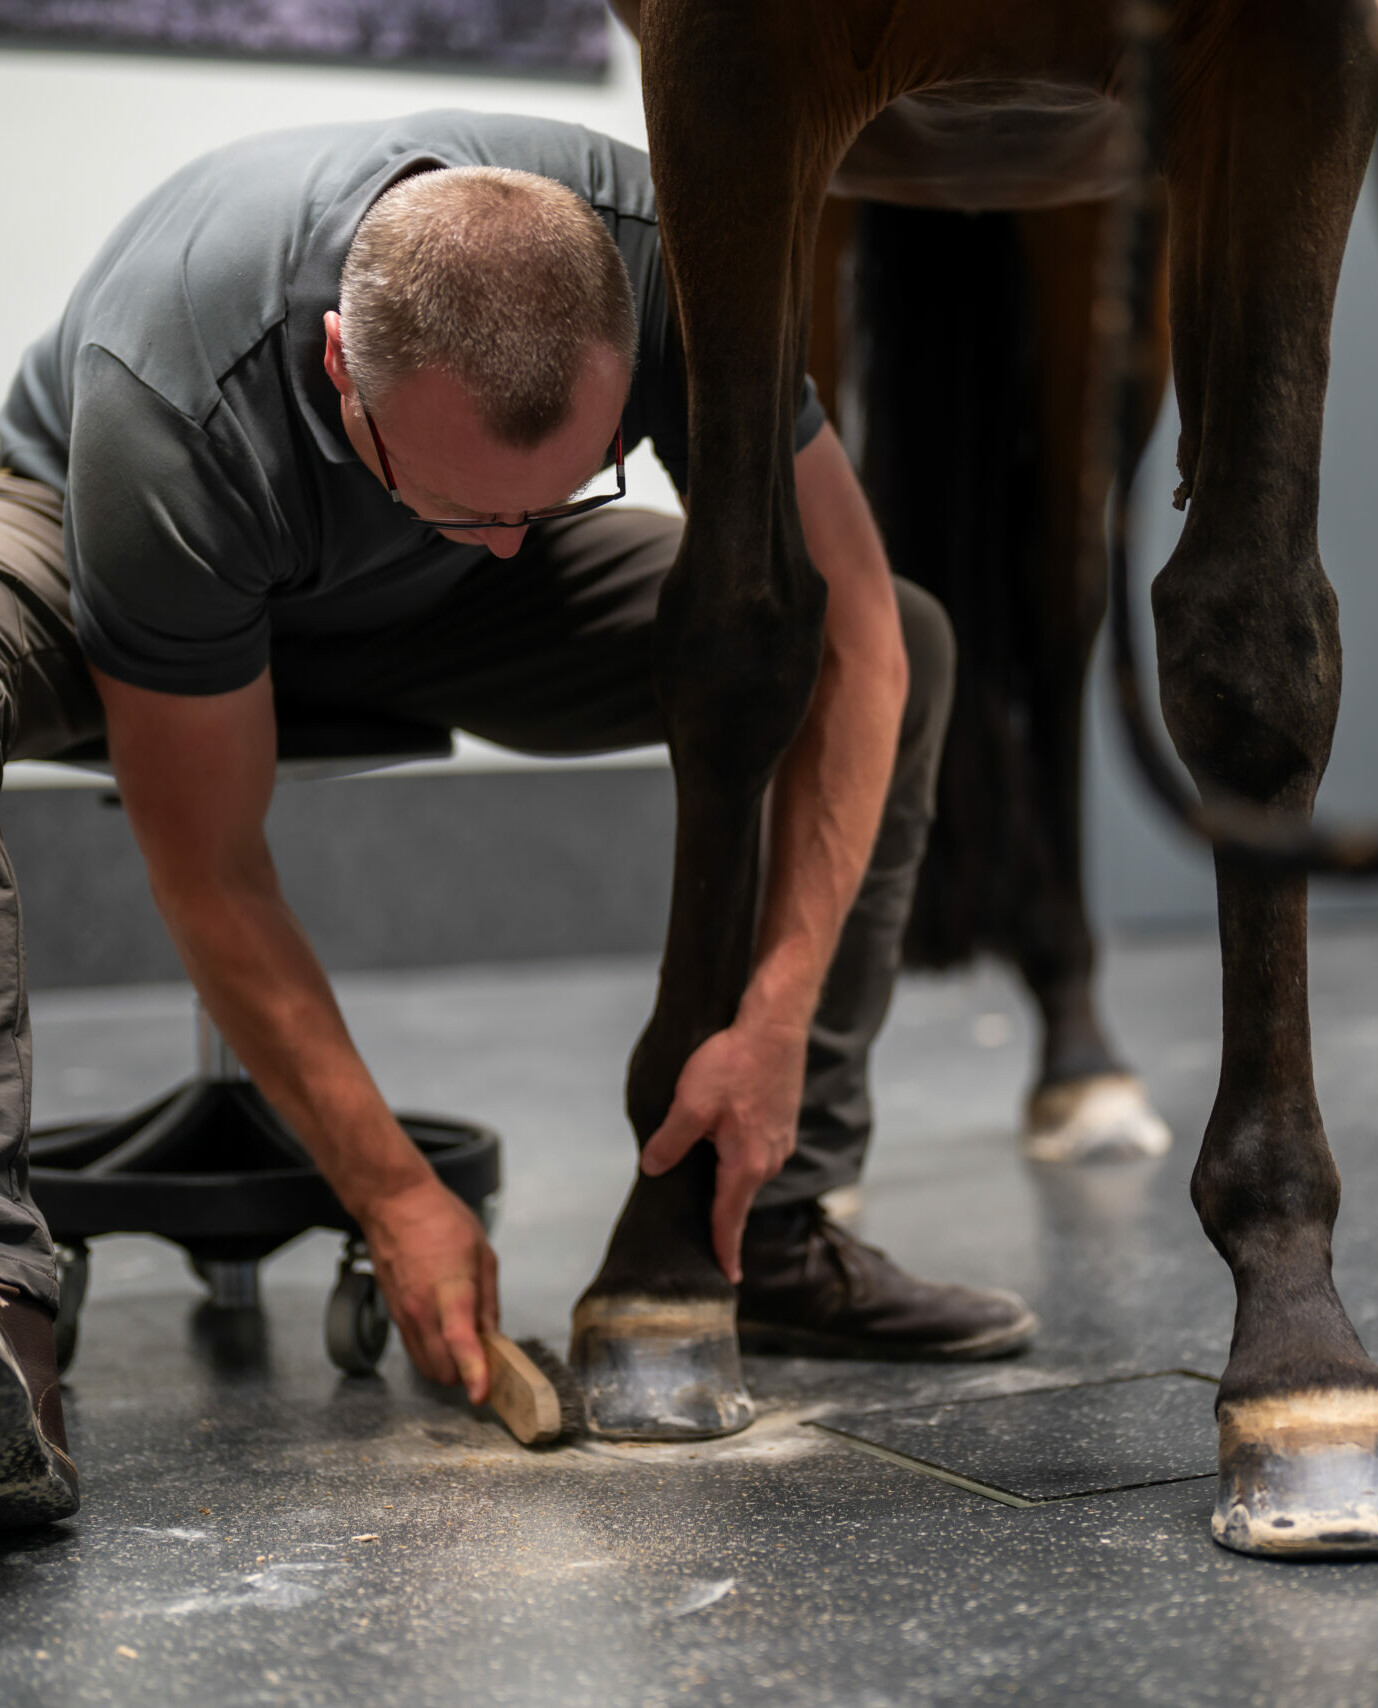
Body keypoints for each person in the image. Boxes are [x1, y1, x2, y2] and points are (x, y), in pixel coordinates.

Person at [0, 112, 1039, 1527]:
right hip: (101, 545)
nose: (511, 526)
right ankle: (7, 1310)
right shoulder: (174, 394)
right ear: (336, 374)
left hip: (432, 601)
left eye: (560, 485)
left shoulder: (670, 260)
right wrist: (397, 1195)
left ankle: (771, 1221)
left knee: (885, 637)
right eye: (466, 495)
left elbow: (859, 630)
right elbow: (212, 869)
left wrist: (778, 1011)